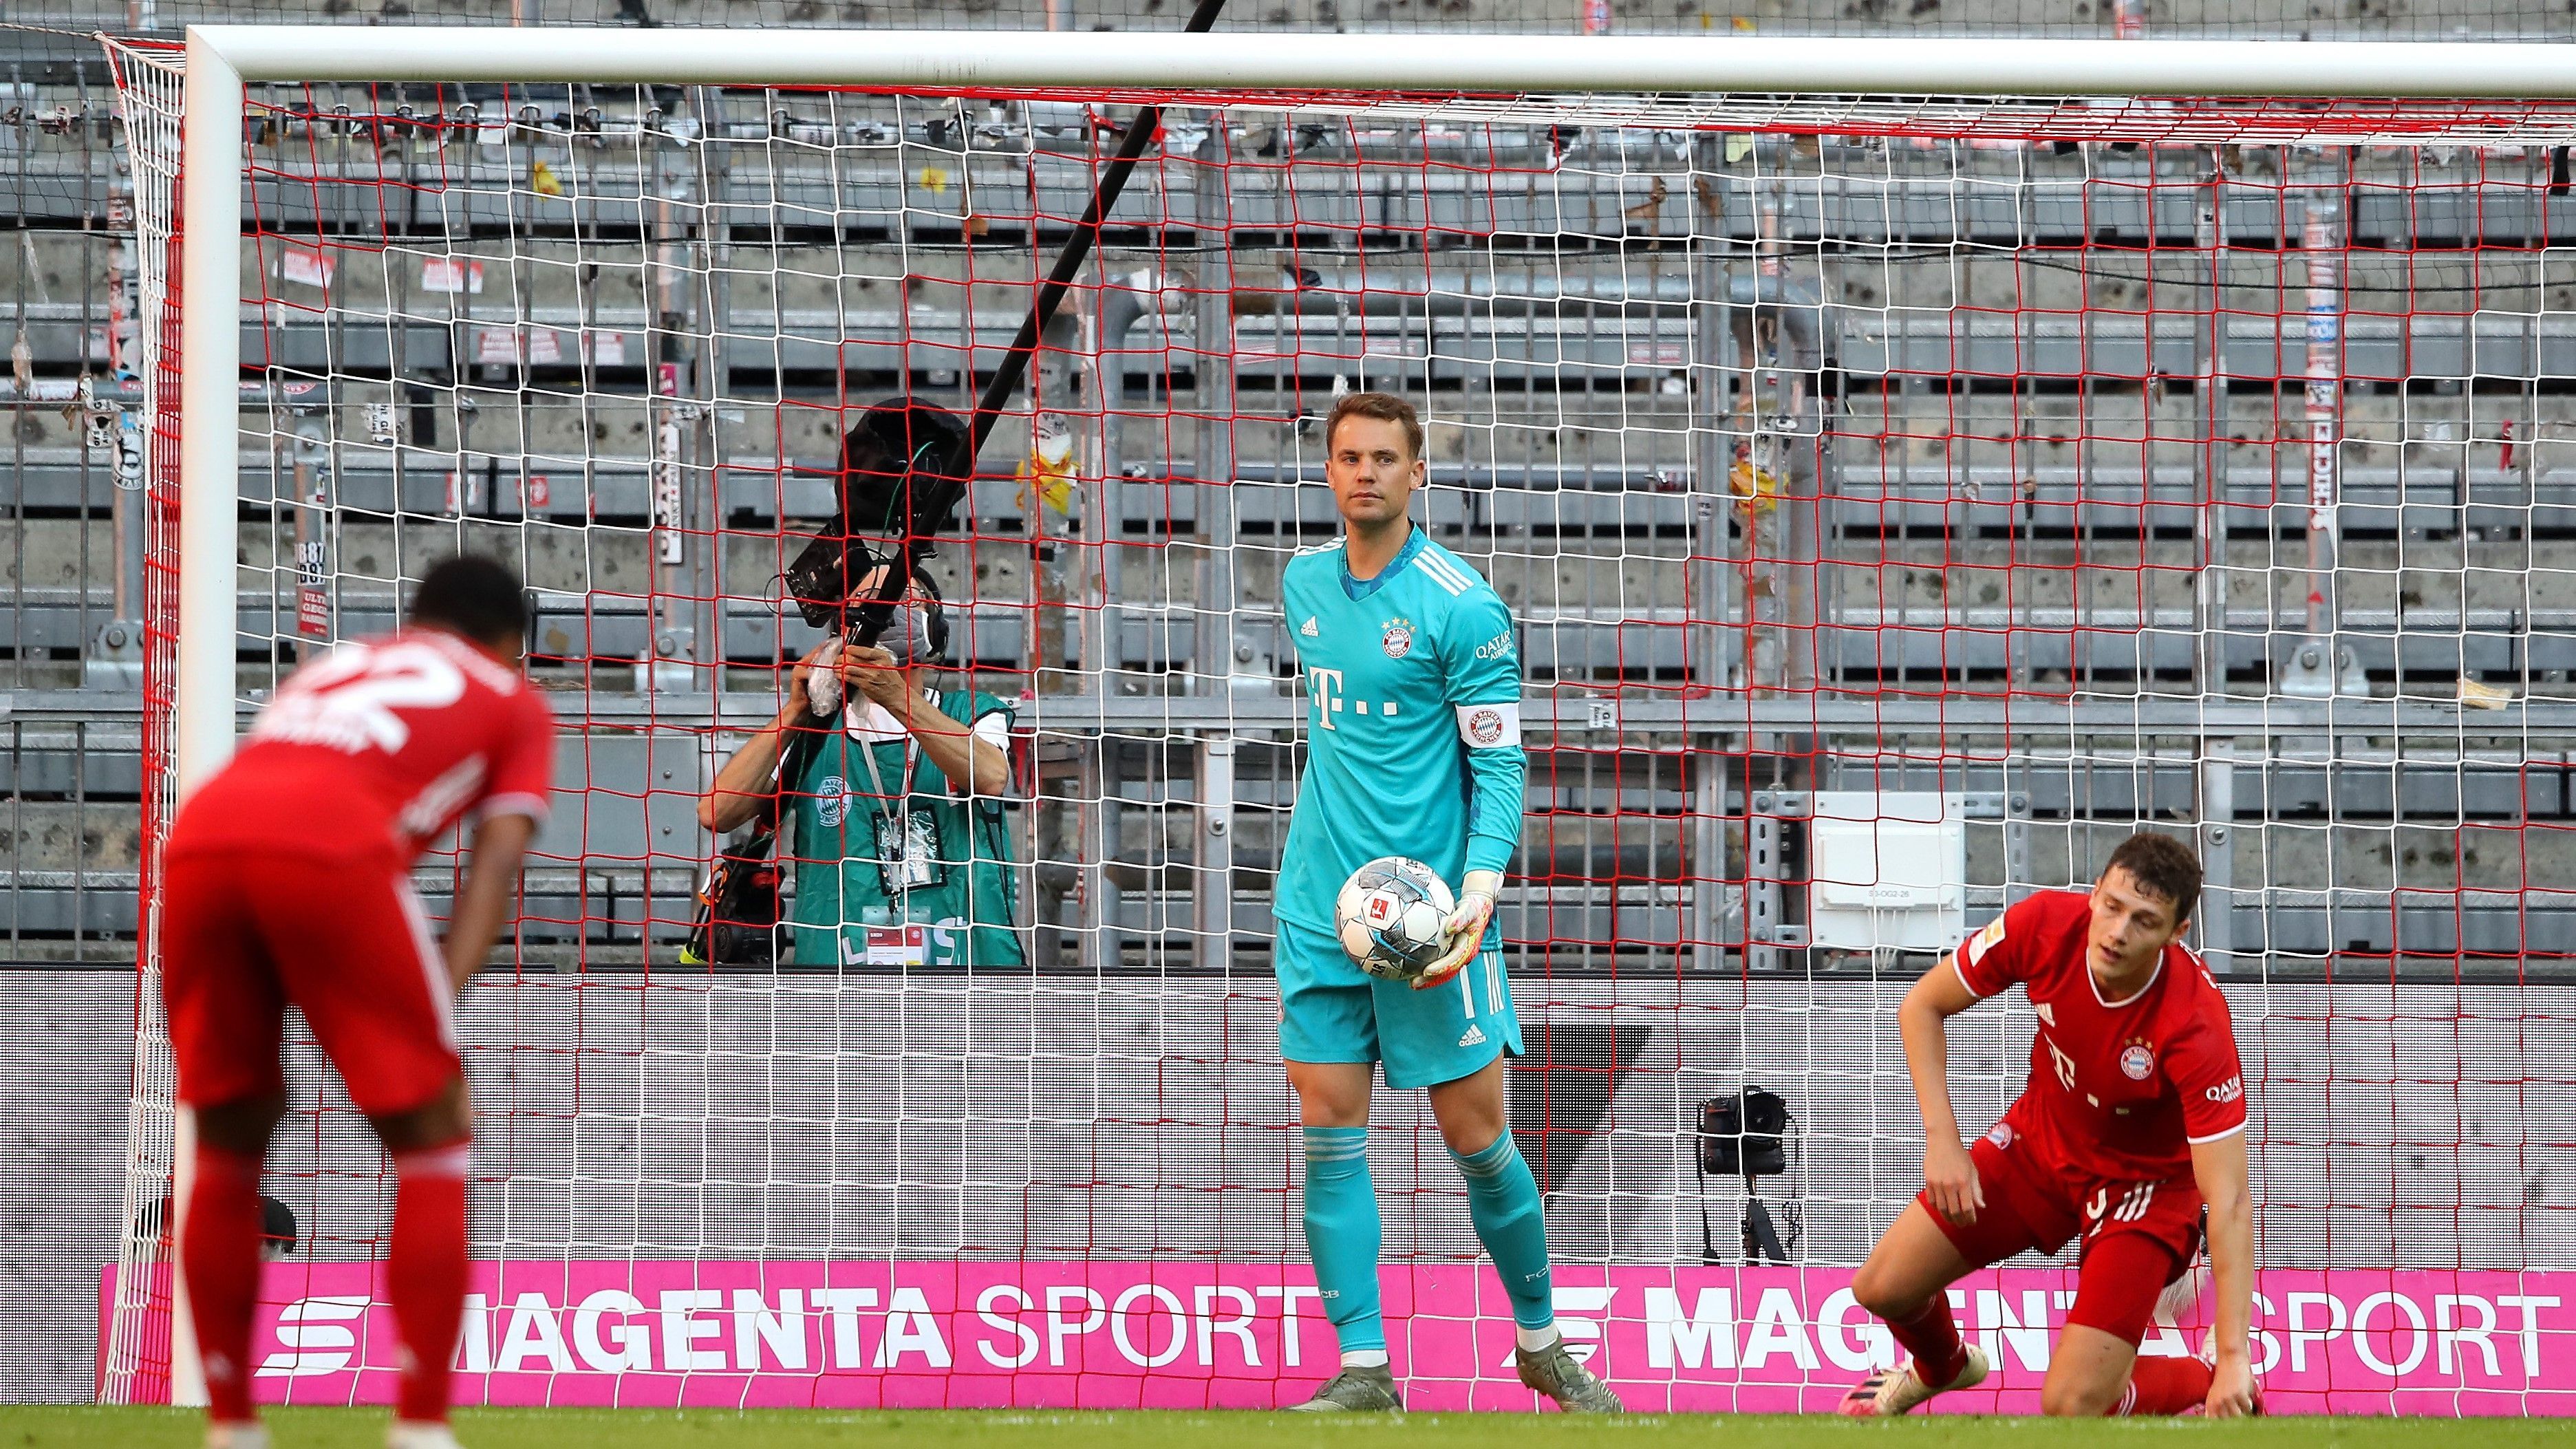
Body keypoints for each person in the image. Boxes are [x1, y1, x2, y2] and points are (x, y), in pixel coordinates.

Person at [1269, 391, 1619, 1413]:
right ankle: (1367, 1369)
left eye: (1384, 457)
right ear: (1328, 471)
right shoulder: (1300, 584)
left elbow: (1500, 767)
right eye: (1347, 457)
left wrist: (1478, 889)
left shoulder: (1462, 603)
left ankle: (1543, 1342)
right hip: (1321, 909)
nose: (1364, 472)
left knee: (1477, 1141)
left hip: (1431, 923)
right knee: (1329, 1128)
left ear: (1418, 472)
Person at [158, 555, 554, 1449]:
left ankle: (231, 1427)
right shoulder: (511, 695)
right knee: (434, 1133)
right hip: (334, 856)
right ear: (508, 641)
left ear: (417, 619)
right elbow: (495, 860)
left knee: (227, 1137)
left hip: (198, 847)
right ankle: (418, 1428)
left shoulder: (335, 665)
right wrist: (437, 1002)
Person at [1839, 831, 2259, 1419]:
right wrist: (1945, 1144)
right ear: (2095, 893)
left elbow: (2231, 1197)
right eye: (2112, 906)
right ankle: (1943, 1366)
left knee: (2071, 1405)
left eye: (2145, 920)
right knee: (1882, 1289)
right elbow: (1922, 1005)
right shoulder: (2042, 925)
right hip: (2038, 1147)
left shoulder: (2195, 1022)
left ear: (2177, 933)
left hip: (2142, 1191)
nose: (2117, 932)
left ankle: (2210, 1376)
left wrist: (2235, 1350)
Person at [700, 568, 1022, 970]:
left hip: (966, 981)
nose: (882, 611)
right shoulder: (815, 731)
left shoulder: (972, 714)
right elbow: (717, 812)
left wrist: (896, 697)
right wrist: (798, 710)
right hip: (835, 986)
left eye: (901, 600)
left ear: (933, 627)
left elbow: (991, 776)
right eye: (863, 601)